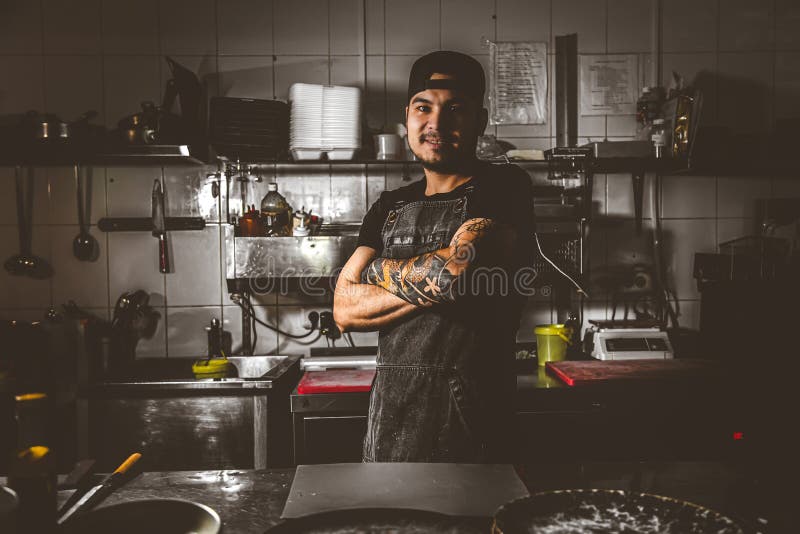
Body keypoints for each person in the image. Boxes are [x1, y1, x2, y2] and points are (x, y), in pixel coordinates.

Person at [333, 50, 534, 463]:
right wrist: (434, 273)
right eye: (423, 107)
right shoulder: (388, 204)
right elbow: (344, 309)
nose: (436, 123)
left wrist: (375, 271)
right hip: (389, 419)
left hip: (470, 423)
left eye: (455, 109)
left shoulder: (504, 187)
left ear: (479, 121)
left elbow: (454, 274)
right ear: (407, 115)